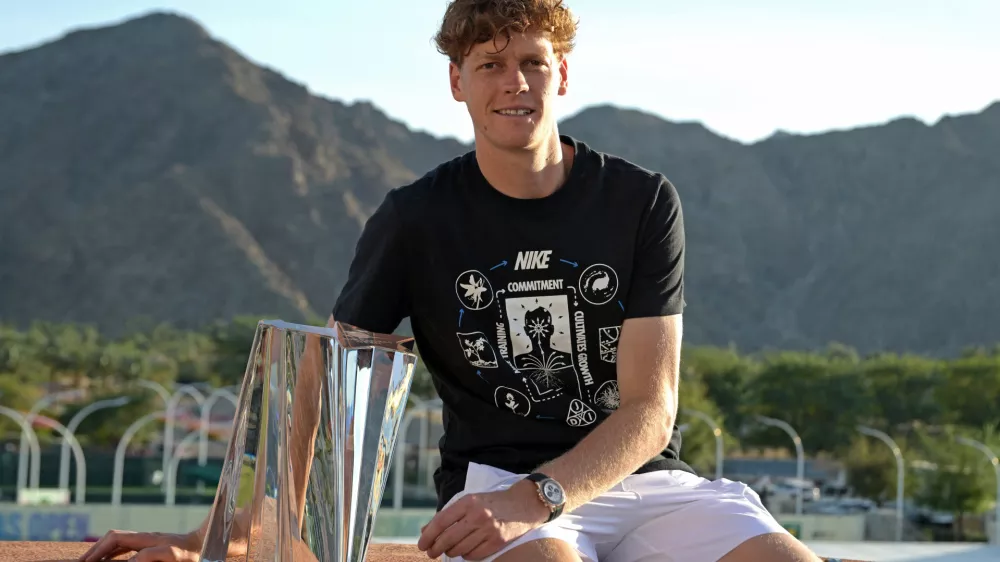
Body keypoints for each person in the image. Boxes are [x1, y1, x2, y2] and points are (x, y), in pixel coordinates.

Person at [80, 0, 825, 561]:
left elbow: (650, 410)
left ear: (562, 73)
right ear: (457, 83)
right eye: (491, 65)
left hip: (643, 481)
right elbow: (330, 375)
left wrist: (544, 495)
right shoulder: (417, 219)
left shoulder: (640, 200)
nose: (516, 83)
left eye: (533, 61)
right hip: (494, 484)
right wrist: (227, 533)